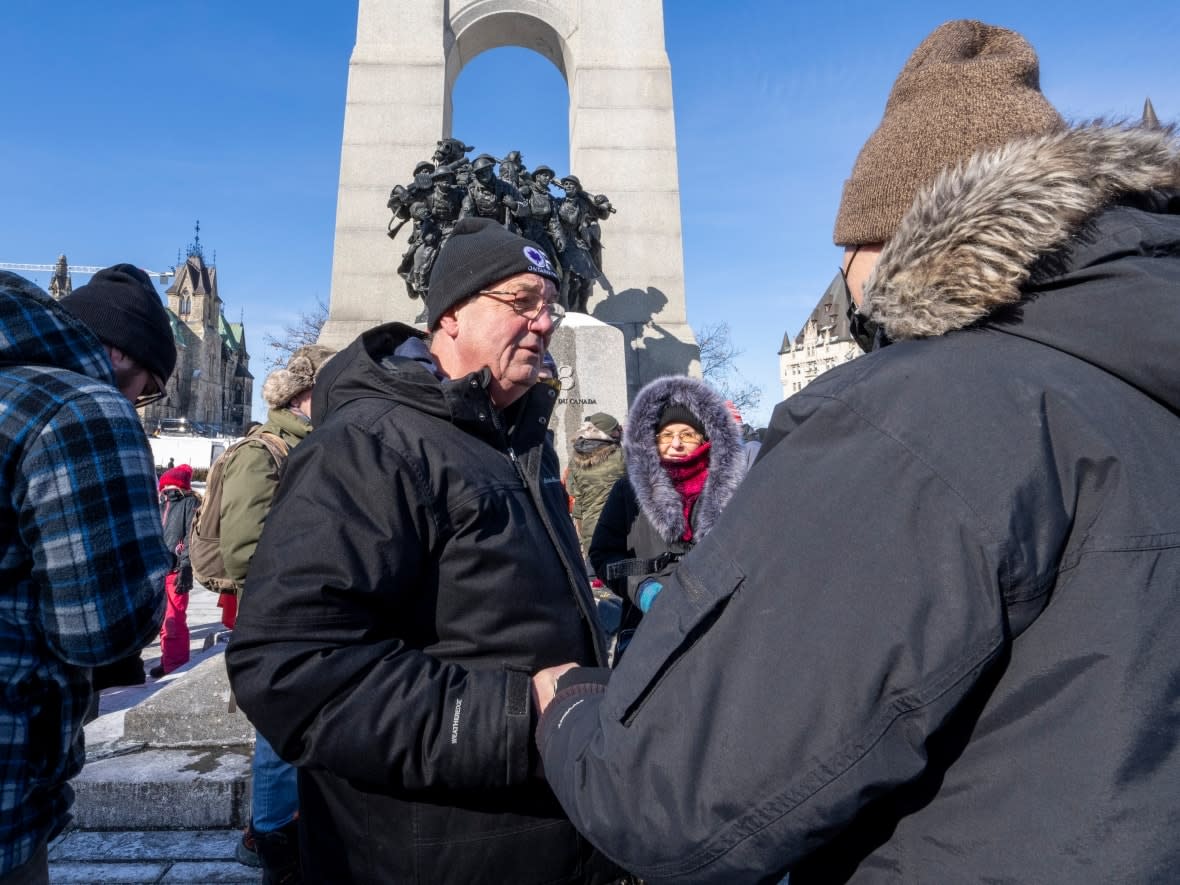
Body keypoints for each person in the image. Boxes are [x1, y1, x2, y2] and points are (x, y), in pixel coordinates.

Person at [533, 20, 1180, 883]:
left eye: (854, 243)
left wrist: (571, 708)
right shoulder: (1136, 376)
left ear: (913, 234)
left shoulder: (918, 419)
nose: (842, 273)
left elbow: (673, 795)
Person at [226, 217, 623, 885]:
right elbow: (290, 667)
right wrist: (523, 712)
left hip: (537, 838)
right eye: (521, 301)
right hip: (425, 853)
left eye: (549, 305)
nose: (544, 321)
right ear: (452, 315)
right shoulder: (368, 445)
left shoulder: (518, 441)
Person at [0, 266, 174, 884]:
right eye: (147, 387)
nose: (137, 403)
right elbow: (101, 630)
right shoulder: (80, 407)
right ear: (118, 349)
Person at [220, 344, 335, 883]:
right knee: (276, 736)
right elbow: (243, 548)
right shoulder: (262, 451)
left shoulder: (318, 444)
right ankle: (268, 839)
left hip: (315, 619)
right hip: (278, 621)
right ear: (306, 392)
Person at [589, 378, 745, 661]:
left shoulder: (733, 489)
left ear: (705, 437)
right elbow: (602, 556)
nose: (675, 444)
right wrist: (643, 588)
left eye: (687, 434)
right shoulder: (627, 491)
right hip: (646, 622)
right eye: (665, 435)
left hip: (721, 622)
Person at [153, 463, 200, 678]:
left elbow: (191, 537)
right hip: (162, 570)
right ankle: (168, 661)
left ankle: (176, 667)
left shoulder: (188, 503)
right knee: (165, 621)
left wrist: (186, 566)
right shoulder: (163, 504)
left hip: (177, 570)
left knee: (173, 620)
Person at [566, 412, 626, 558]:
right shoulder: (621, 456)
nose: (620, 431)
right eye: (617, 429)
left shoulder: (576, 458)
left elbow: (574, 492)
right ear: (607, 433)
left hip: (589, 528)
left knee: (597, 572)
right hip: (619, 526)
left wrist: (580, 525)